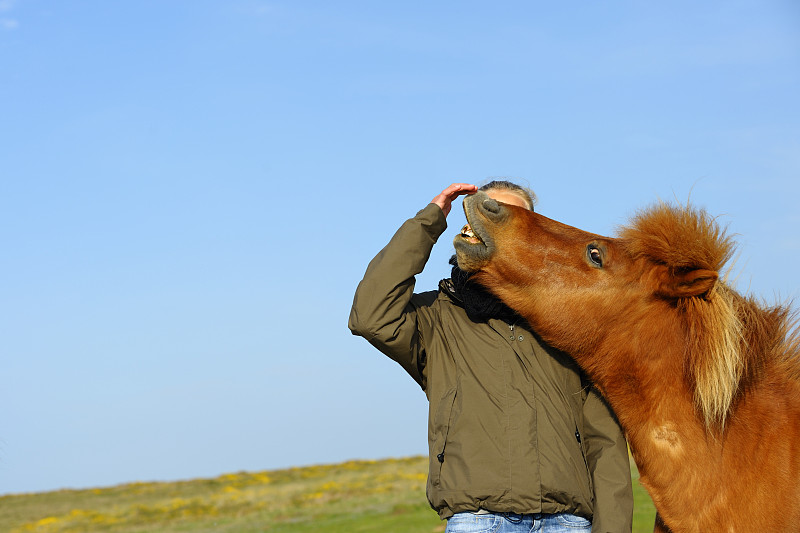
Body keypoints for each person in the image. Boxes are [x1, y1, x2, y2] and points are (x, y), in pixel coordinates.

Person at [348, 181, 633, 533]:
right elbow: (370, 314)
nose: (493, 219)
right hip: (480, 521)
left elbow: (604, 442)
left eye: (511, 216)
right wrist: (430, 221)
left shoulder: (570, 326)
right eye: (485, 210)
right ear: (467, 228)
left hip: (568, 522)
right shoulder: (436, 319)